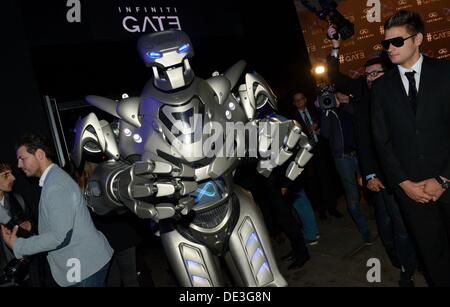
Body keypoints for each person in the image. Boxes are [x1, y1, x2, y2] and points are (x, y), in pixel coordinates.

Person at [371, 10, 450, 286]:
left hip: (448, 180)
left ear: (418, 39)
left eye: (397, 42)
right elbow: (382, 142)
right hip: (412, 191)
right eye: (386, 43)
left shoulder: (446, 72)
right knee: (433, 257)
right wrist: (404, 184)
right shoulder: (381, 88)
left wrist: (444, 178)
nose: (389, 49)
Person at [1, 134, 113, 287]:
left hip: (84, 265)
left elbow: (59, 237)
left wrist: (18, 245)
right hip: (83, 262)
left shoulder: (55, 185)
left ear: (40, 154)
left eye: (23, 158)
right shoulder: (53, 180)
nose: (19, 165)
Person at [290, 92, 341, 221]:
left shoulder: (316, 111)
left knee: (327, 179)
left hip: (321, 150)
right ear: (294, 103)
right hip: (306, 153)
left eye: (301, 99)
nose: (300, 102)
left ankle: (332, 208)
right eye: (297, 100)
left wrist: (318, 129)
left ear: (305, 99)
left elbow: (326, 128)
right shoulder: (292, 118)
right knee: (313, 183)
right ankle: (321, 210)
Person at [0, 161, 33, 285]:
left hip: (23, 274)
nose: (13, 178)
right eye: (5, 175)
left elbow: (36, 235)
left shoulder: (19, 201)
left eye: (12, 174)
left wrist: (30, 228)